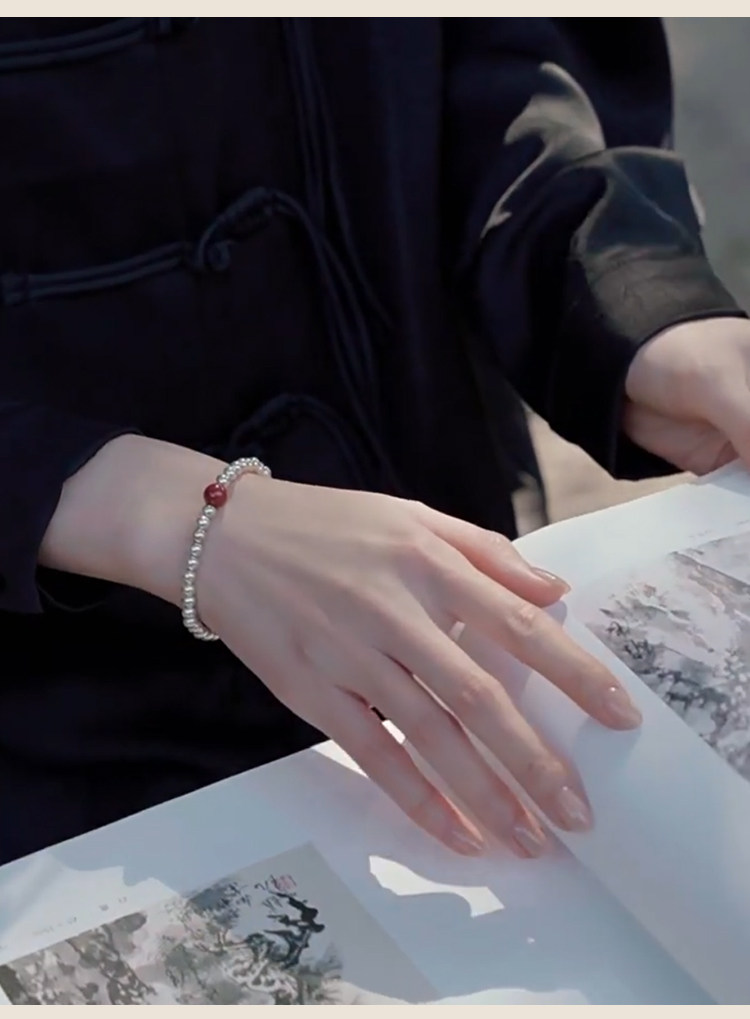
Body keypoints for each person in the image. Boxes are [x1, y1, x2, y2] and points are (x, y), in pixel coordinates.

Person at [2, 16, 749, 867]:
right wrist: (158, 513)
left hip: (430, 559)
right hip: (53, 723)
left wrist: (645, 305)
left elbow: (496, 61)